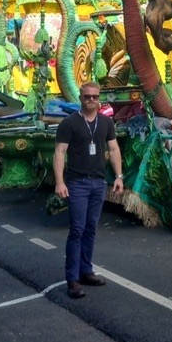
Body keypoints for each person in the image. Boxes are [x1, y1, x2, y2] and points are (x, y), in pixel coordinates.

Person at [53, 81, 124, 299]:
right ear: (80, 98)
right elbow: (59, 152)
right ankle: (72, 279)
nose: (91, 100)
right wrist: (59, 182)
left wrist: (119, 176)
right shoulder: (69, 123)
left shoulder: (106, 122)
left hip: (98, 182)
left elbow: (114, 149)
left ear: (99, 98)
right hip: (77, 183)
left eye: (94, 96)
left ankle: (86, 270)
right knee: (77, 229)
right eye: (87, 97)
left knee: (91, 228)